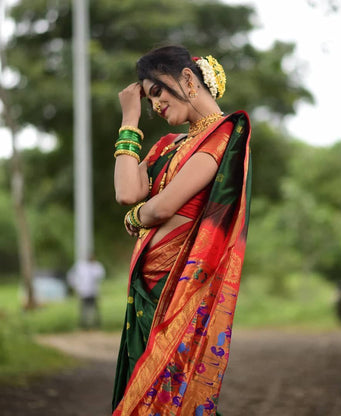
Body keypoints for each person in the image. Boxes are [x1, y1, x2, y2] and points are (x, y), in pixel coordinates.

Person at [111, 45, 251, 416]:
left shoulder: (221, 139)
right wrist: (129, 120)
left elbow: (163, 206)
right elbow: (127, 192)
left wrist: (135, 220)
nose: (155, 106)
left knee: (171, 394)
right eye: (149, 98)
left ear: (187, 79)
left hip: (180, 291)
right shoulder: (166, 147)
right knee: (147, 391)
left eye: (157, 92)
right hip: (147, 291)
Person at [67, 254, 105, 329]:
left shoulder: (97, 266)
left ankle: (96, 324)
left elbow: (101, 276)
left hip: (93, 291)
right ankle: (83, 324)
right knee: (83, 309)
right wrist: (75, 285)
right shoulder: (81, 266)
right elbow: (71, 275)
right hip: (83, 291)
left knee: (95, 308)